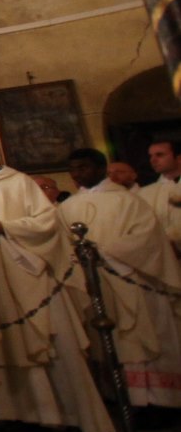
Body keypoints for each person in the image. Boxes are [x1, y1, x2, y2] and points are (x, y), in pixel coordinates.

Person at [0, 132, 115, 432]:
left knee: (48, 341)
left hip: (25, 273)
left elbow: (46, 223)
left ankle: (66, 414)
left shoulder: (19, 183)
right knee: (4, 343)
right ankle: (16, 413)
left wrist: (5, 227)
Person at [58, 148, 181, 411]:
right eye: (73, 169)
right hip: (91, 284)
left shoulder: (128, 201)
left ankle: (155, 403)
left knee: (137, 339)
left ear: (101, 168)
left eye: (83, 167)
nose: (77, 174)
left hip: (129, 280)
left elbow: (146, 238)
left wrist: (101, 252)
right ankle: (118, 399)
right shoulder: (66, 207)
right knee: (104, 341)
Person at [142, 140, 181, 253]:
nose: (153, 160)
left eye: (160, 155)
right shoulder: (145, 192)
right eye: (151, 156)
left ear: (179, 158)